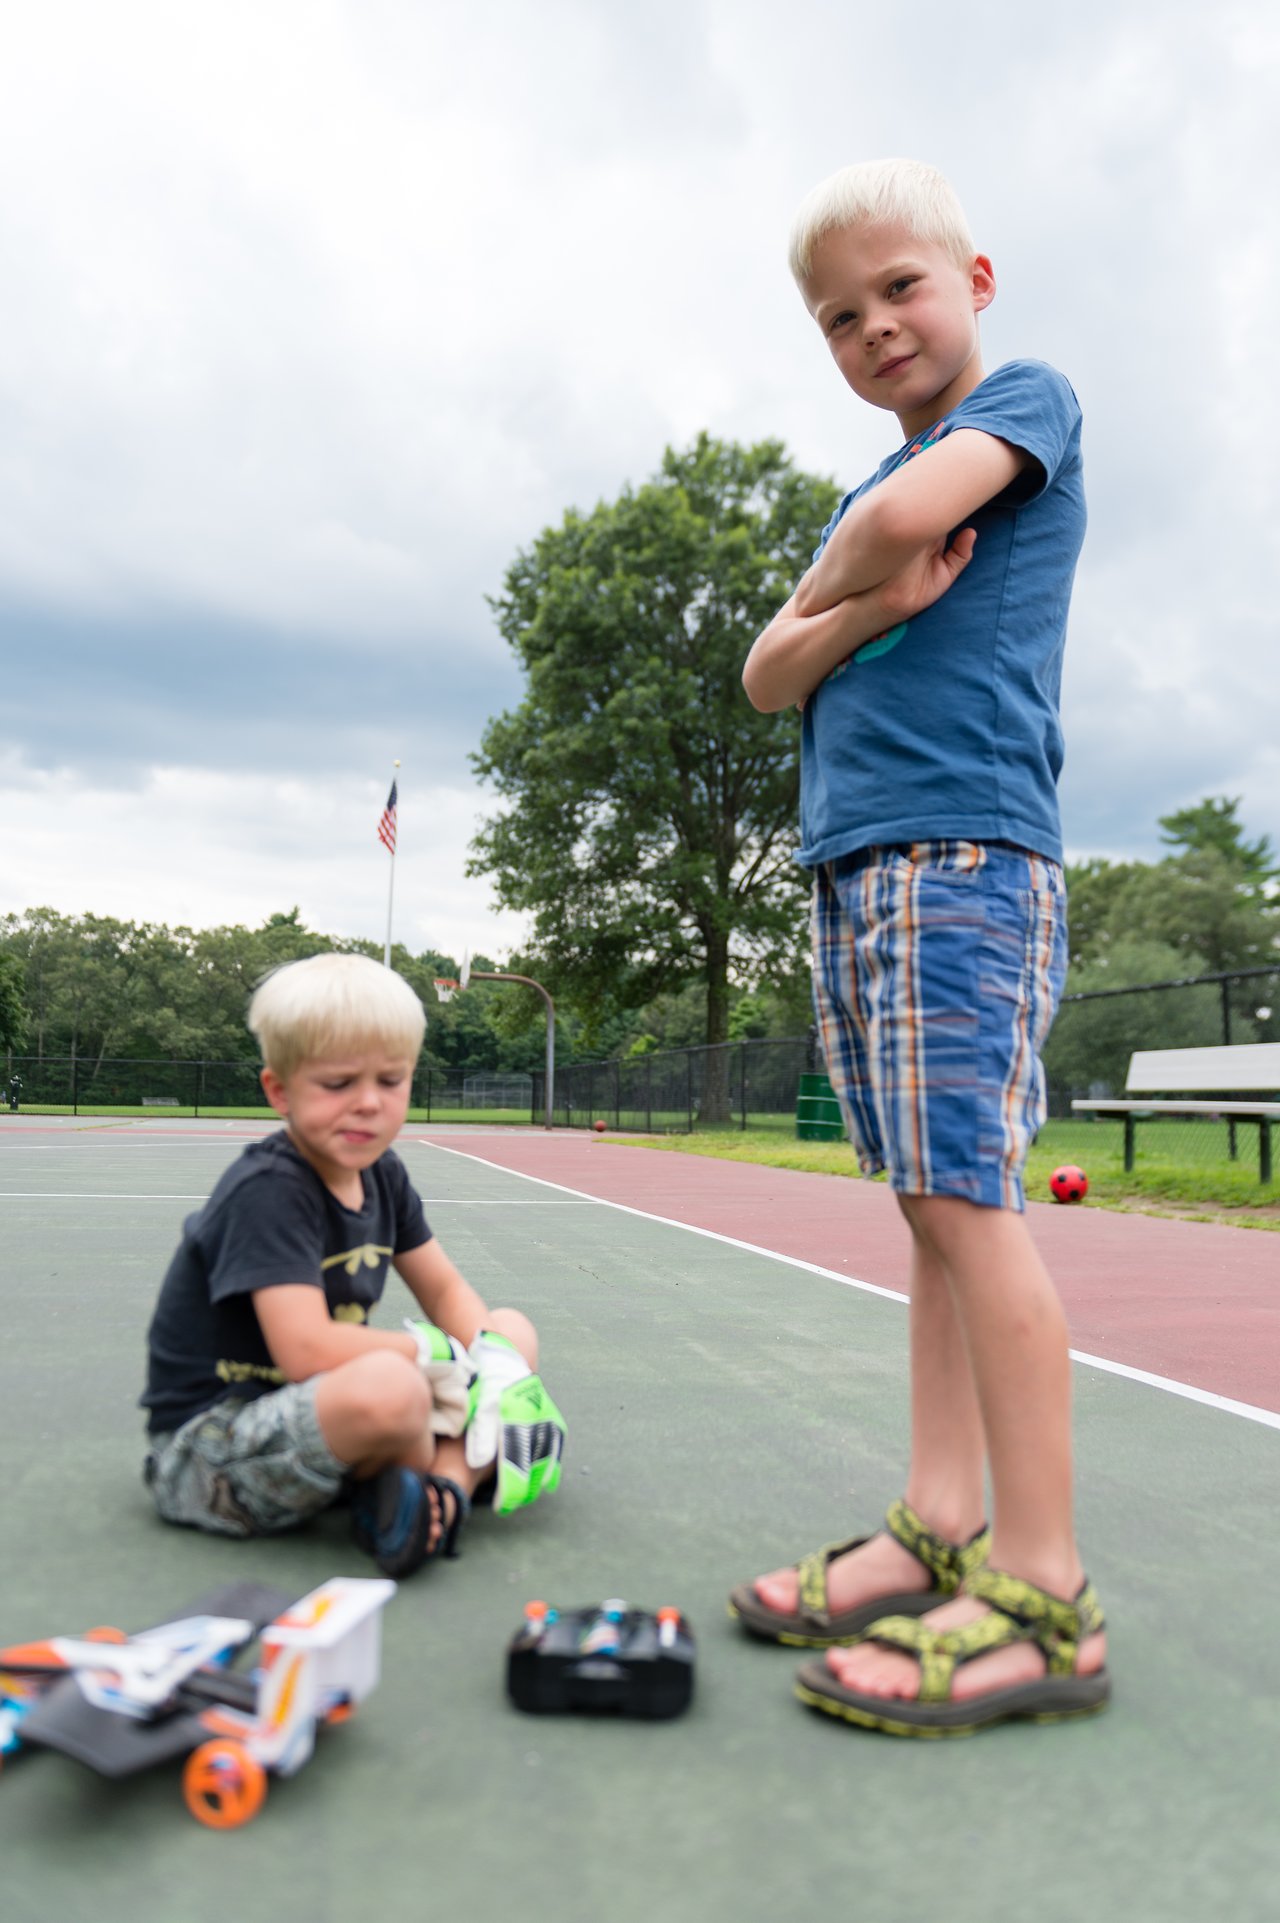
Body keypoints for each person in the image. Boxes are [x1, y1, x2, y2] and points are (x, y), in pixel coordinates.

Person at [731, 158, 1108, 1736]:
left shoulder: (1025, 399)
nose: (876, 325)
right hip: (858, 864)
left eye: (903, 287)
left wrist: (859, 576)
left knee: (970, 1200)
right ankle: (938, 1515)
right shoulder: (861, 504)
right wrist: (865, 603)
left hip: (963, 852)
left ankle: (1045, 1588)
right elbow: (764, 673)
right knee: (926, 1210)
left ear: (977, 278)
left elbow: (903, 516)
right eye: (839, 316)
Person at [141, 952, 565, 1578]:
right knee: (396, 1389)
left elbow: (446, 1290)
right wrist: (443, 1367)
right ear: (279, 1090)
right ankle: (440, 1473)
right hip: (212, 1449)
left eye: (390, 1081)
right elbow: (305, 1350)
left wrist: (494, 1368)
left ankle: (437, 1495)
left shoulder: (384, 1175)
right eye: (339, 1084)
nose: (368, 1103)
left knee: (509, 1331)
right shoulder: (269, 1188)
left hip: (325, 1417)